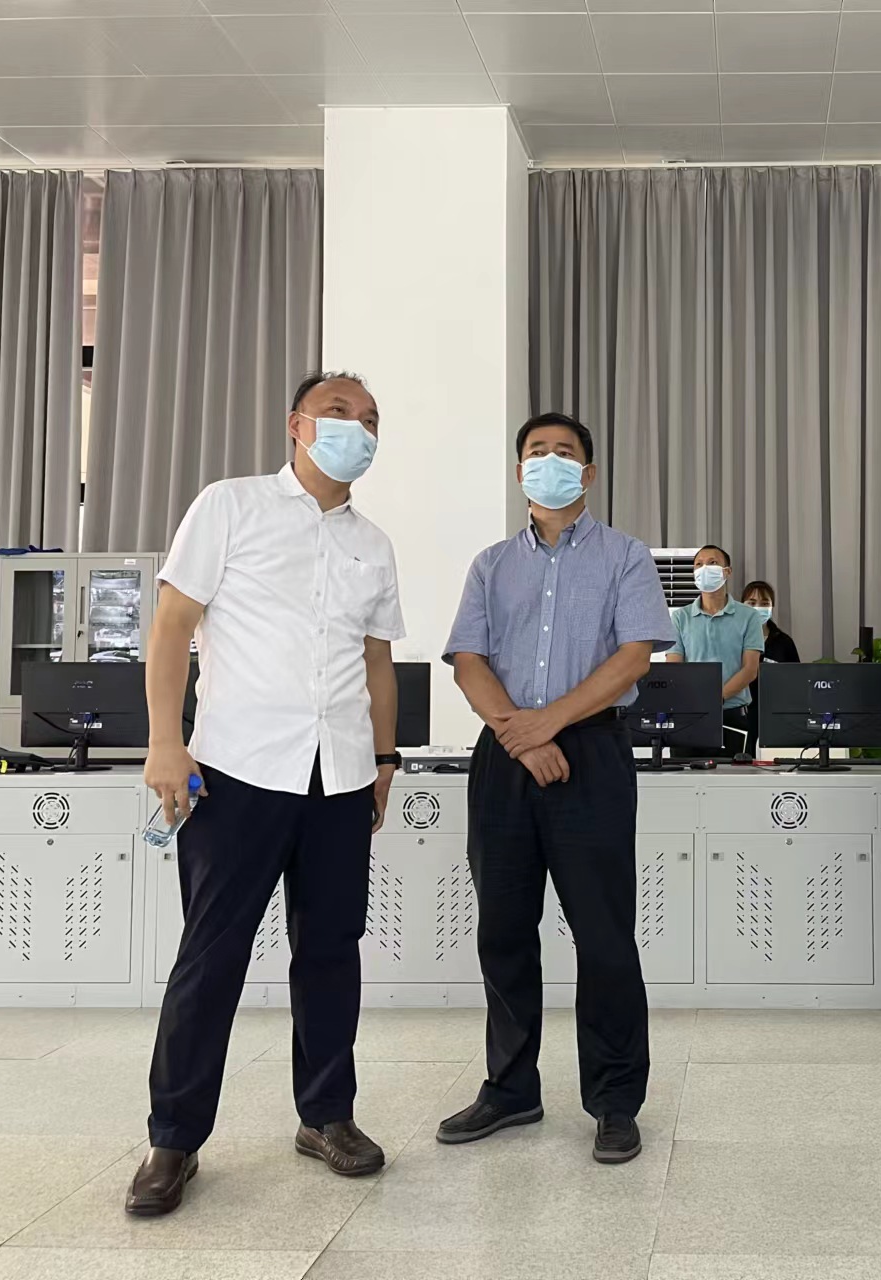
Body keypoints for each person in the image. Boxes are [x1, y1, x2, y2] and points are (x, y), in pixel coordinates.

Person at [130, 372, 404, 1216]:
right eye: (339, 413)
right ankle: (173, 1139)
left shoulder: (373, 544)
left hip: (339, 778)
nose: (356, 428)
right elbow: (172, 624)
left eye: (370, 420)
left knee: (331, 952)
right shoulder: (230, 505)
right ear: (296, 423)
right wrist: (165, 741)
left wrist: (383, 759)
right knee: (212, 955)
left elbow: (377, 660)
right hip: (238, 773)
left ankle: (326, 1116)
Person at [440, 411, 675, 1165]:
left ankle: (615, 1100)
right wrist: (521, 733)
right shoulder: (490, 565)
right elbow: (468, 660)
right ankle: (511, 1089)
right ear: (520, 473)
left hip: (592, 753)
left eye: (564, 452)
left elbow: (634, 657)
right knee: (503, 931)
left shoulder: (625, 556)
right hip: (505, 755)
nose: (550, 461)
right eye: (536, 452)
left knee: (603, 935)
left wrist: (550, 723)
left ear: (589, 472)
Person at [665, 545, 764, 758]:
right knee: (683, 776)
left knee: (734, 777)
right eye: (698, 564)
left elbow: (750, 669)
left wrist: (715, 698)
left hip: (732, 715)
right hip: (688, 715)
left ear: (727, 571)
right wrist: (697, 701)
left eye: (712, 563)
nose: (704, 568)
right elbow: (673, 668)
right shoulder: (680, 617)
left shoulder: (749, 616)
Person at [739, 580, 799, 756]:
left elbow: (797, 682)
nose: (758, 608)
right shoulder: (733, 639)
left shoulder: (784, 642)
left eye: (764, 603)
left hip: (775, 717)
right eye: (751, 603)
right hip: (740, 716)